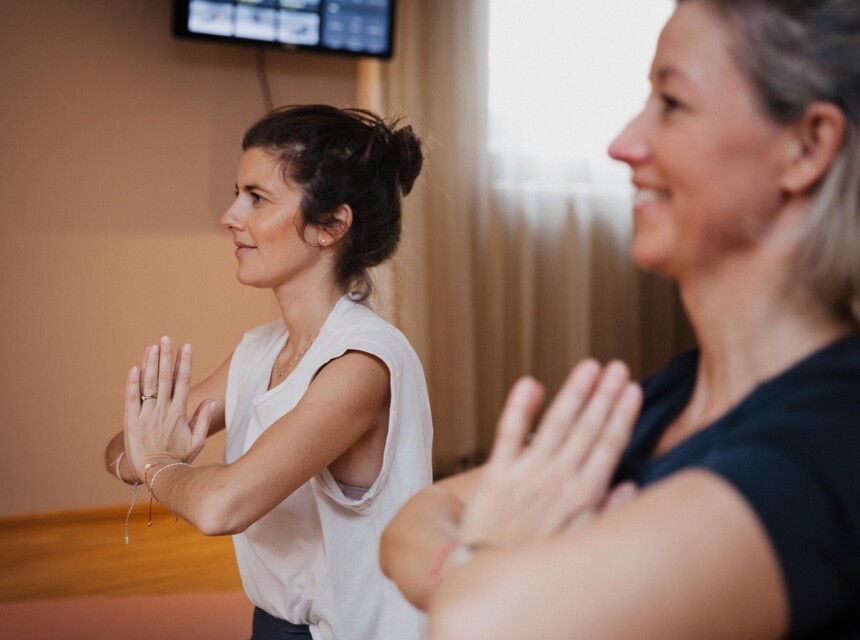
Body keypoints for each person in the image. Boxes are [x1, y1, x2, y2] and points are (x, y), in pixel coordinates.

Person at [379, 1, 860, 638]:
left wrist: (483, 562)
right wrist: (482, 571)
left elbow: (474, 623)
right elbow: (414, 519)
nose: (623, 142)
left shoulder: (826, 444)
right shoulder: (670, 396)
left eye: (672, 102)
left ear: (807, 146)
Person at [104, 104, 433, 640]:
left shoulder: (363, 364)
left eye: (257, 198)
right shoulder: (259, 350)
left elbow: (219, 507)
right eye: (238, 194)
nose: (230, 216)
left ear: (331, 224)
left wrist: (158, 462)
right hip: (275, 623)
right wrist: (149, 452)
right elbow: (121, 451)